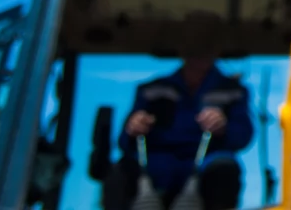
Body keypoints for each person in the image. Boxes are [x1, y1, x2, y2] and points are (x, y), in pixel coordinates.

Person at [101, 32, 253, 210]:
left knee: (224, 169)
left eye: (206, 46)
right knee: (121, 171)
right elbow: (125, 142)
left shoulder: (234, 92)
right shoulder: (151, 90)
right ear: (182, 50)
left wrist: (223, 127)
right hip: (156, 164)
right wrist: (133, 128)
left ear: (216, 50)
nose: (199, 52)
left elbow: (243, 136)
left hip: (206, 163)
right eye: (194, 46)